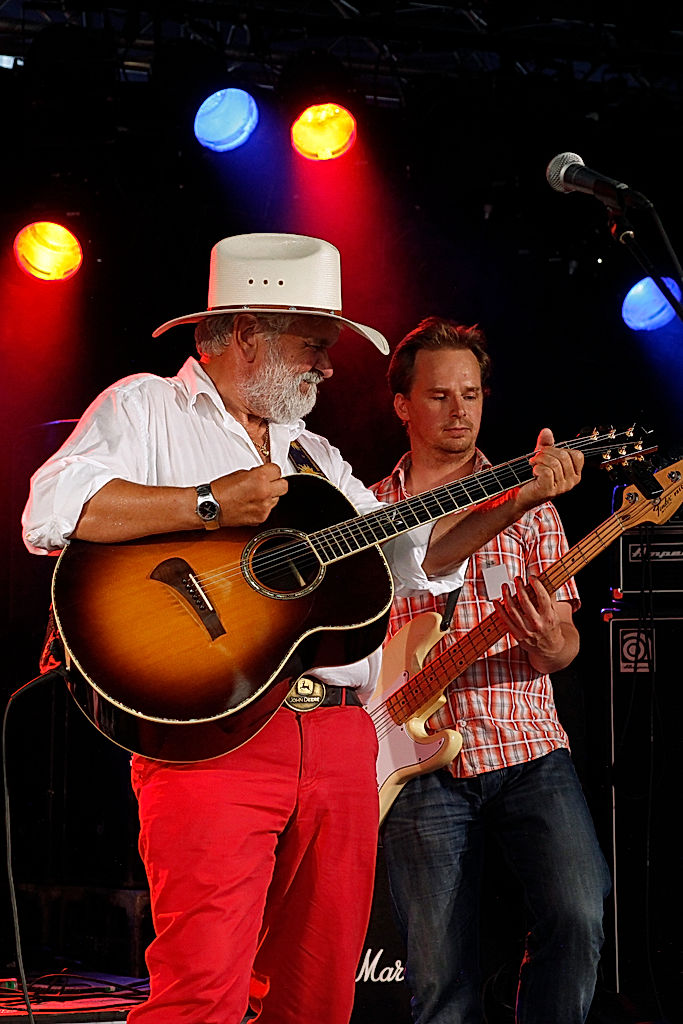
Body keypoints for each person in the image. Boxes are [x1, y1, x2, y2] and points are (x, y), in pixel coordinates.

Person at [21, 236, 583, 1024]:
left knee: (317, 995)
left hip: (341, 740)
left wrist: (514, 500)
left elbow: (414, 557)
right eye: (313, 346)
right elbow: (49, 512)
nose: (327, 368)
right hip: (218, 736)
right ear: (247, 333)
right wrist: (207, 504)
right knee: (203, 989)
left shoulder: (313, 453)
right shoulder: (146, 407)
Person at [371, 316, 611, 1024]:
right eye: (439, 395)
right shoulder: (372, 511)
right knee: (440, 975)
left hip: (527, 745)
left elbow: (563, 647)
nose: (460, 411)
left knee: (578, 915)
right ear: (402, 404)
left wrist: (549, 639)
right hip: (412, 762)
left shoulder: (529, 506)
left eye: (471, 394)